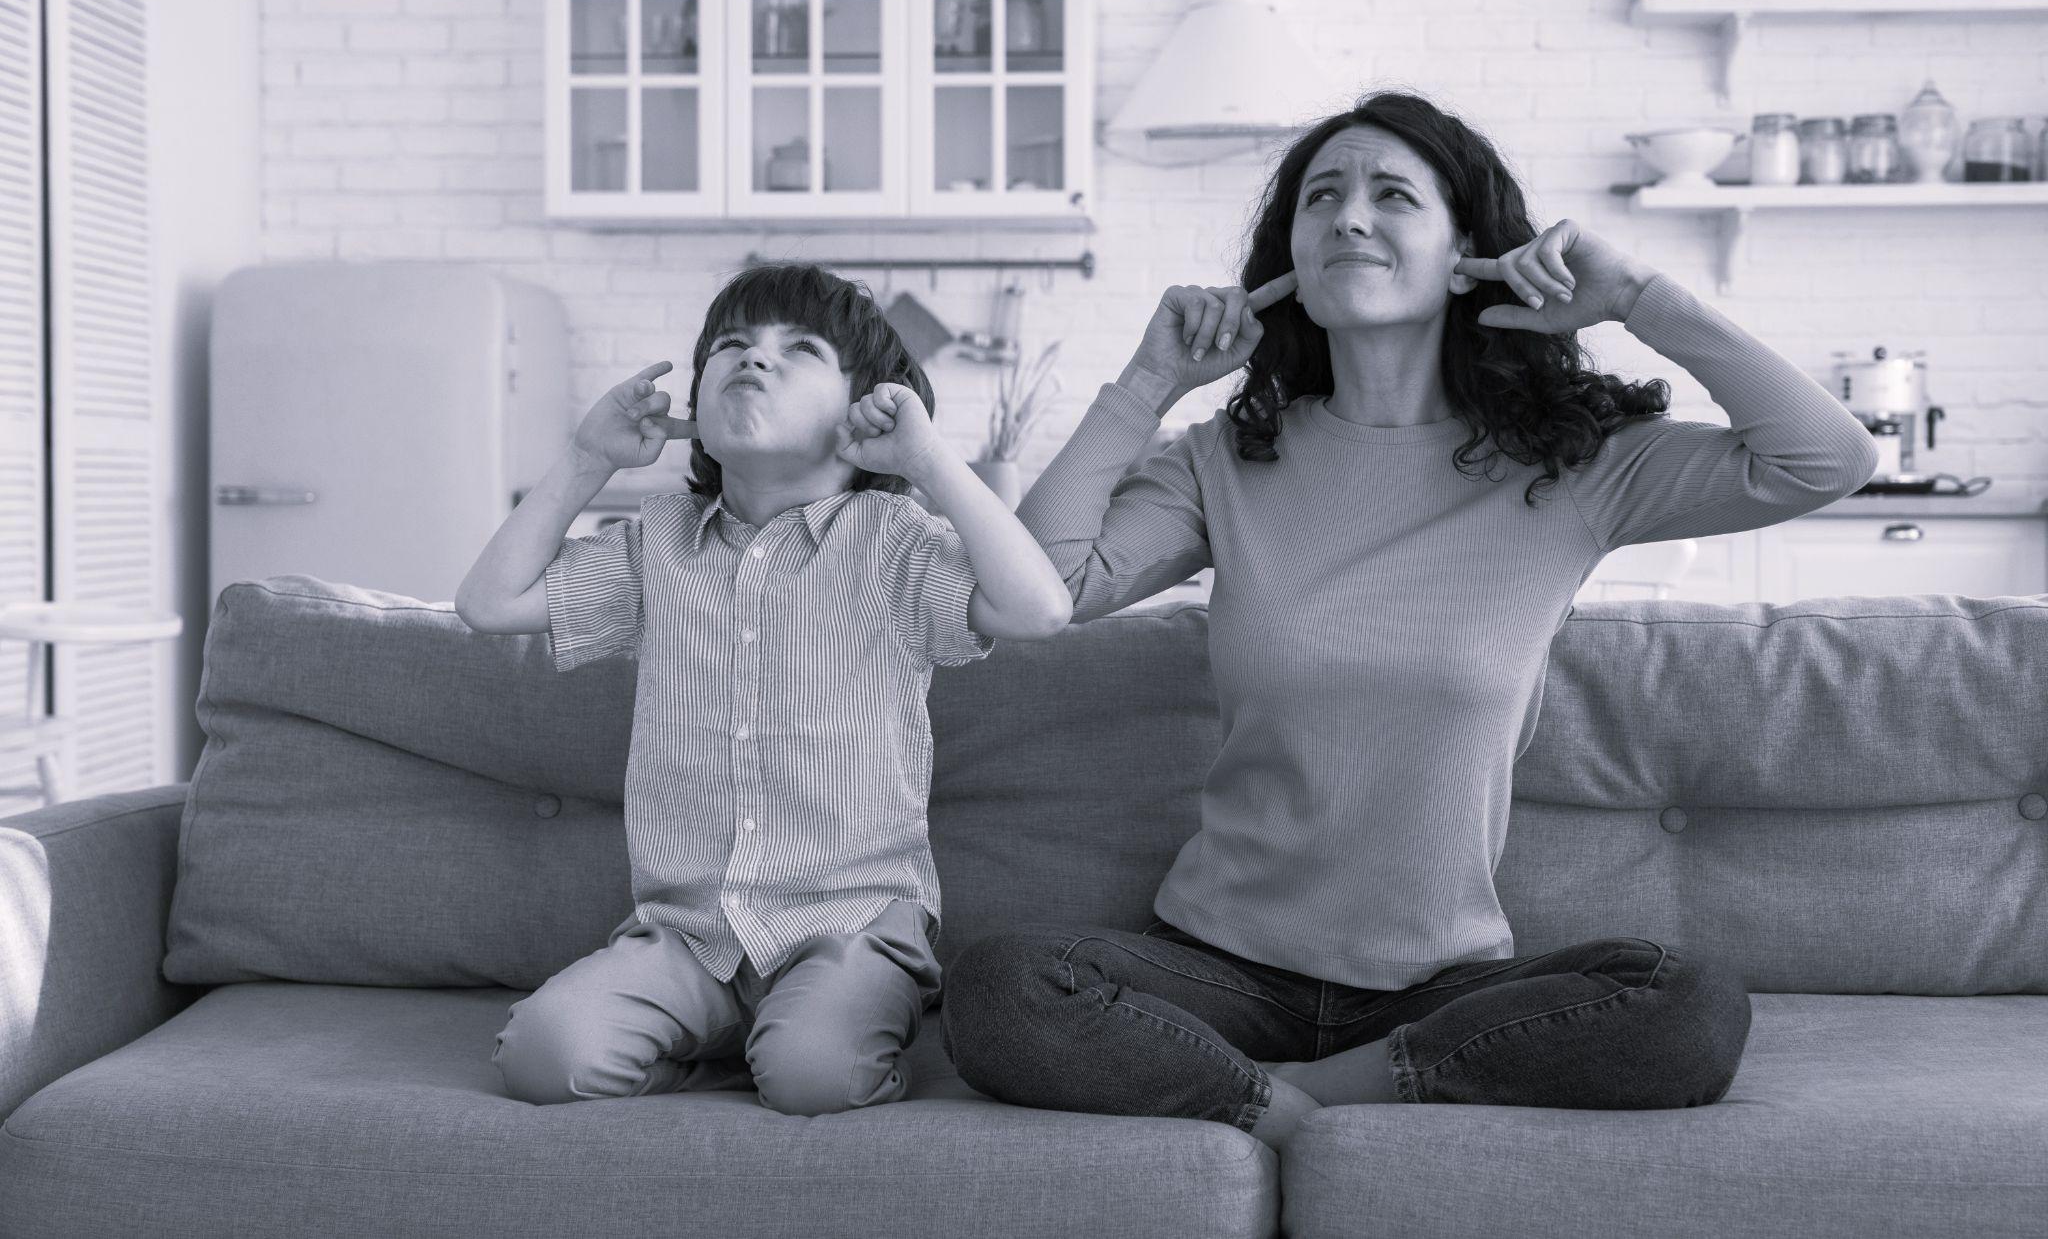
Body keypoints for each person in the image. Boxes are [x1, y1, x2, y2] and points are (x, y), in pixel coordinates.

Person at [939, 91, 1879, 1147]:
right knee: (1004, 988)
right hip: (1217, 968)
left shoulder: (1569, 466)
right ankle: (1306, 1092)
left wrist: (1641, 298)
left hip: (1435, 986)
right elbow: (1041, 591)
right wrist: (1150, 380)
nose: (1348, 218)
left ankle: (1286, 1103)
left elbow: (1824, 460)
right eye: (1320, 198)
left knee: (1684, 1004)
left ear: (1466, 250)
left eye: (1392, 195)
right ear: (1286, 251)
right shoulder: (1227, 459)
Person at [456, 262, 1072, 1116]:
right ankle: (732, 1043)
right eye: (733, 346)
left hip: (851, 922)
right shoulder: (657, 542)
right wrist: (586, 458)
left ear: (865, 411)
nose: (755, 359)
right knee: (541, 1056)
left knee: (814, 1074)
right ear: (698, 413)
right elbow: (487, 605)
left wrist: (928, 461)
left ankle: (831, 1021)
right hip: (688, 935)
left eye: (800, 349)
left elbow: (1039, 610)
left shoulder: (894, 541)